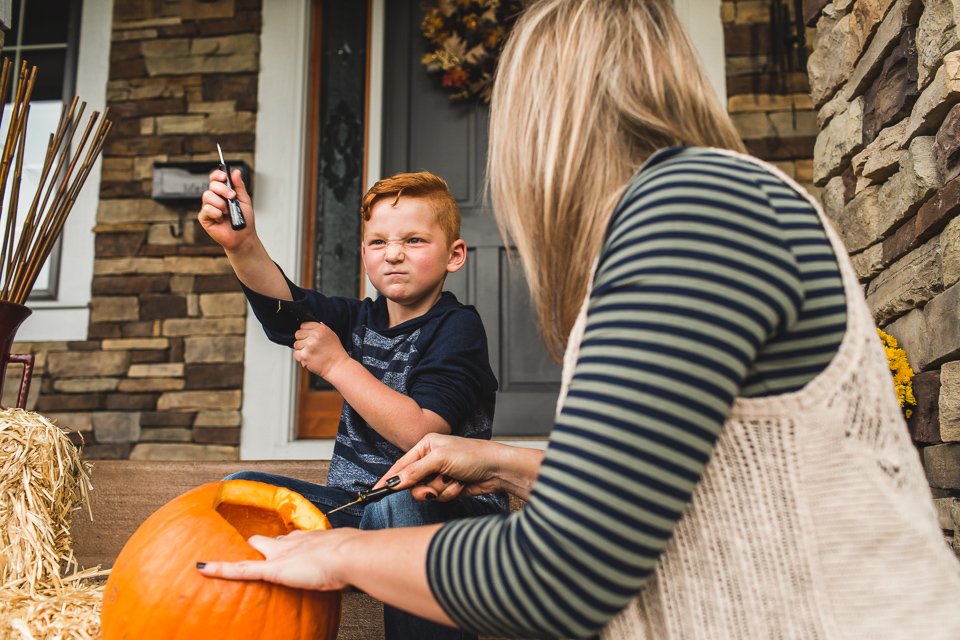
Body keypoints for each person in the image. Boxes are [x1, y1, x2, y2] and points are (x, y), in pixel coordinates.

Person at [197, 0, 960, 638]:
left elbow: (564, 570)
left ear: (546, 118)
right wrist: (502, 462)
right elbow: (669, 486)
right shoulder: (687, 213)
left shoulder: (691, 214)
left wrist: (335, 557)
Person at [198, 169, 508, 640]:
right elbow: (284, 306)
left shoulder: (458, 329)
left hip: (451, 521)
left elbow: (422, 435)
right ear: (364, 253)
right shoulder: (357, 318)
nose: (395, 253)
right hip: (359, 509)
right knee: (239, 491)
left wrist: (338, 365)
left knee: (400, 503)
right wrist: (241, 246)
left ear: (455, 255)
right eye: (379, 242)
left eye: (415, 240)